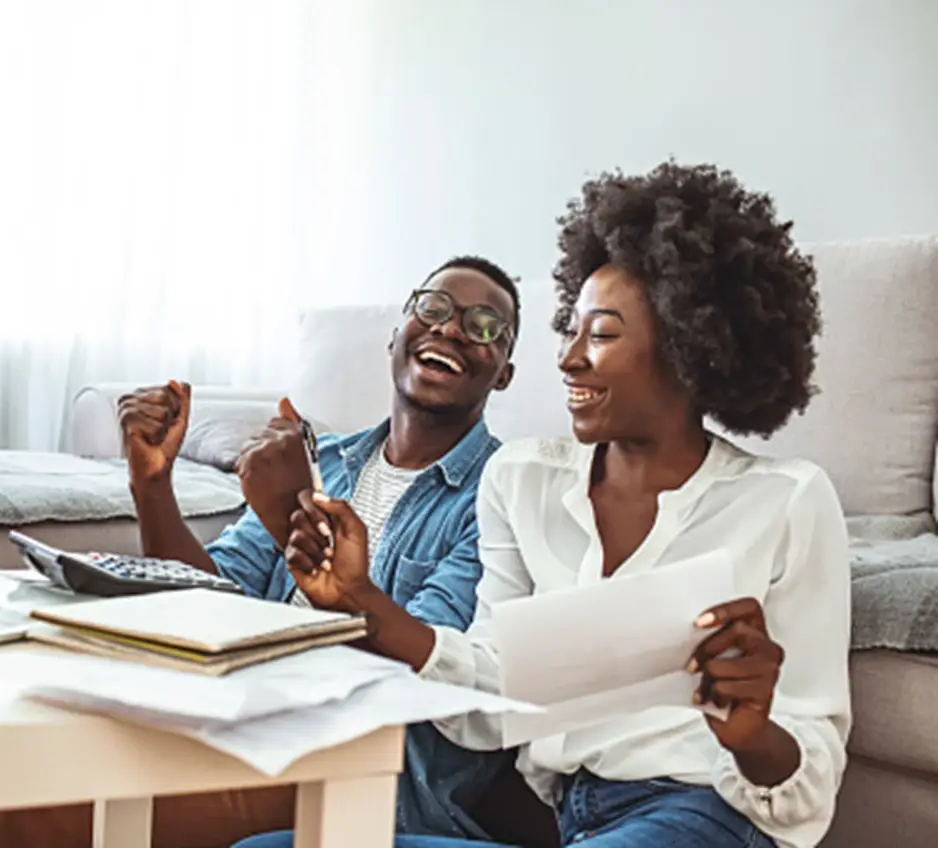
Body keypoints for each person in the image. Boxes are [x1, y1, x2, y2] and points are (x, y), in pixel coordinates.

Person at [239, 161, 850, 848]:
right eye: (572, 329)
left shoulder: (787, 499)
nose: (569, 359)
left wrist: (751, 735)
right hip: (574, 824)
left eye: (603, 334)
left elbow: (808, 779)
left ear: (688, 349)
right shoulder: (522, 480)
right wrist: (359, 601)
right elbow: (493, 702)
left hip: (708, 815)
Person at [0, 255, 530, 848]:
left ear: (503, 373)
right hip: (232, 722)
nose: (449, 329)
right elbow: (205, 597)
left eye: (482, 327)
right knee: (11, 757)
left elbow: (415, 678)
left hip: (354, 769)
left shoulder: (497, 495)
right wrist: (152, 485)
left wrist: (288, 522)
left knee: (15, 815)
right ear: (397, 333)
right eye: (434, 309)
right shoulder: (325, 457)